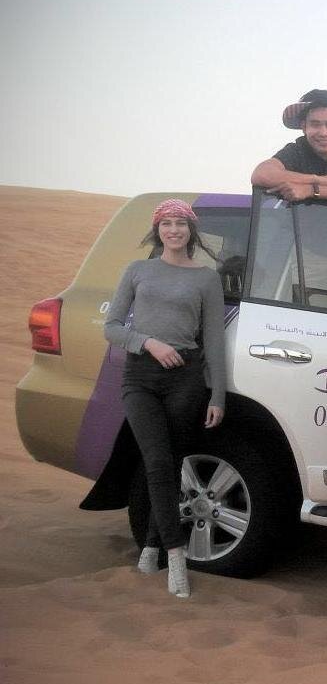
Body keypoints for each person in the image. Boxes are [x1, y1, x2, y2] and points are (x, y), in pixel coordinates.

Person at [103, 199, 227, 599]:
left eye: (181, 223)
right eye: (167, 223)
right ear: (157, 230)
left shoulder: (206, 278)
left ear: (192, 230)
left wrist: (218, 394)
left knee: (172, 463)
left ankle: (152, 547)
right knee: (157, 461)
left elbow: (214, 341)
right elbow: (112, 327)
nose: (174, 230)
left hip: (186, 378)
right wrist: (149, 343)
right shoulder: (138, 270)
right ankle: (176, 557)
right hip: (140, 376)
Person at [252, 89, 327, 203]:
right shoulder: (298, 150)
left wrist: (310, 190)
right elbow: (261, 174)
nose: (323, 133)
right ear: (304, 127)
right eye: (315, 124)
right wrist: (318, 180)